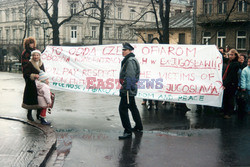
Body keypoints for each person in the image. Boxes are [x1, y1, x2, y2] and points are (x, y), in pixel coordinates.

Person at [118, 42, 143, 140]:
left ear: (130, 51)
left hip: (128, 89)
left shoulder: (130, 61)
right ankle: (139, 126)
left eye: (125, 50)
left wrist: (127, 88)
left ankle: (127, 131)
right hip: (129, 88)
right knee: (133, 107)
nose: (123, 51)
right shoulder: (129, 60)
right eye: (123, 50)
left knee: (122, 109)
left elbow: (130, 75)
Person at [22, 50, 47, 122]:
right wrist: (33, 76)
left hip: (39, 84)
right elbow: (25, 74)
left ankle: (38, 115)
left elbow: (43, 73)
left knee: (40, 100)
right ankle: (29, 114)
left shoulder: (41, 64)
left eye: (37, 55)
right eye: (34, 55)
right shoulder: (29, 64)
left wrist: (44, 78)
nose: (36, 57)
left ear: (39, 56)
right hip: (31, 85)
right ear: (32, 56)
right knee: (30, 100)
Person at [21, 37, 41, 120]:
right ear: (27, 44)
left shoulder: (36, 51)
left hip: (38, 75)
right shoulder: (25, 53)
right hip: (29, 76)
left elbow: (40, 61)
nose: (32, 45)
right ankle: (29, 113)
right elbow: (25, 66)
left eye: (33, 43)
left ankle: (39, 113)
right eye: (30, 43)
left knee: (39, 94)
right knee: (30, 94)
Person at [222, 49, 240, 119]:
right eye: (229, 55)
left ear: (235, 55)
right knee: (226, 98)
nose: (230, 56)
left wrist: (224, 84)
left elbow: (230, 76)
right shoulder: (230, 62)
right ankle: (225, 112)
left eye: (232, 55)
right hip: (229, 83)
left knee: (229, 99)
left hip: (231, 84)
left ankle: (228, 113)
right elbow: (223, 58)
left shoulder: (235, 64)